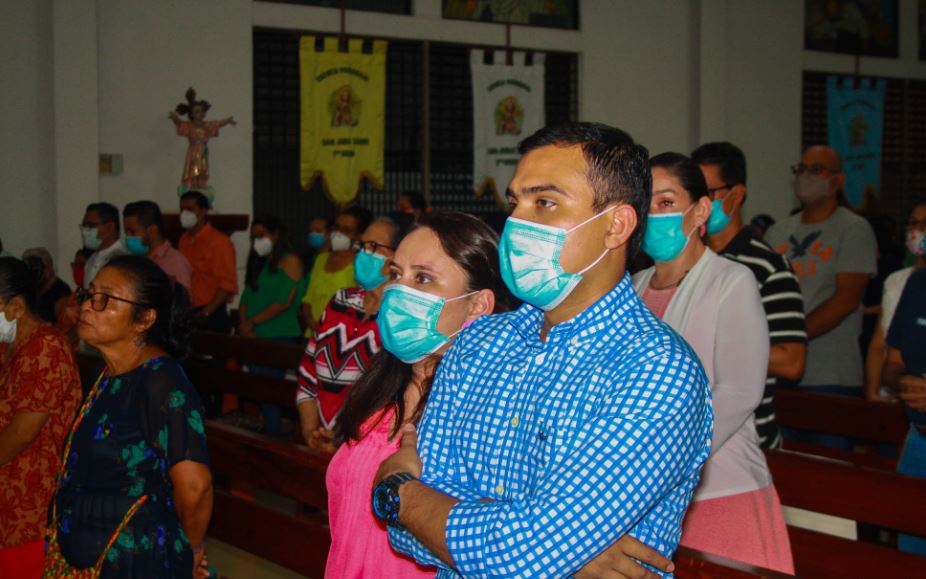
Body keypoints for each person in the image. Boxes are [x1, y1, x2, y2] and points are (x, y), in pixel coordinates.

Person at [375, 123, 712, 578]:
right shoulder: (479, 343)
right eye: (516, 202)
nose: (517, 222)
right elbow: (414, 537)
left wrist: (397, 492)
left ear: (616, 225)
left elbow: (524, 553)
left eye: (545, 203)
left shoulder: (655, 370)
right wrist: (545, 552)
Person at [322, 212, 511, 577]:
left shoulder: (491, 411)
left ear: (478, 304)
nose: (398, 291)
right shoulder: (379, 392)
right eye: (395, 274)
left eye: (422, 278)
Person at [633, 152, 793, 573]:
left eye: (667, 203)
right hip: (643, 496)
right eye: (645, 203)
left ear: (700, 209)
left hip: (719, 488)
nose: (654, 215)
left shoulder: (731, 281)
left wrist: (670, 458)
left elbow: (740, 391)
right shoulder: (632, 287)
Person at [45, 255, 212, 578]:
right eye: (89, 294)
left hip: (135, 560)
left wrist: (189, 550)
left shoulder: (161, 383)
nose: (88, 306)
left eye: (104, 299)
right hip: (86, 549)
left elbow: (195, 487)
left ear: (144, 319)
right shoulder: (107, 371)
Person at [692, 142, 807, 449]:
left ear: (736, 194)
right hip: (691, 432)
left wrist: (713, 343)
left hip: (749, 440)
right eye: (693, 195)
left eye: (709, 193)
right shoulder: (684, 263)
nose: (699, 204)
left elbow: (792, 361)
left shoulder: (768, 266)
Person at [766, 146, 877, 400]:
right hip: (779, 372)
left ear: (838, 180)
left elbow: (846, 300)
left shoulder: (853, 229)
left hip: (832, 373)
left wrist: (792, 337)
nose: (806, 176)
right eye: (801, 169)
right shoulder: (778, 231)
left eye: (816, 170)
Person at [0, 258, 82, 578]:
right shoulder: (12, 348)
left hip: (29, 504)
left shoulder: (46, 347)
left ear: (16, 307)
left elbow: (23, 433)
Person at [296, 217, 404, 451]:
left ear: (398, 256)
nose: (364, 254)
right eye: (362, 246)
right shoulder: (341, 301)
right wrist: (310, 432)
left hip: (367, 445)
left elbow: (391, 396)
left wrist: (342, 441)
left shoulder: (400, 318)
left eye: (373, 247)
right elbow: (308, 372)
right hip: (321, 437)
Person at [238, 215, 306, 434]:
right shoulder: (261, 262)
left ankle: (273, 434)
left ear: (275, 235)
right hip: (254, 333)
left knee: (271, 390)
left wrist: (251, 322)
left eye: (261, 235)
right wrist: (244, 324)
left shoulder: (290, 261)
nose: (257, 241)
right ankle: (269, 431)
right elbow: (246, 297)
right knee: (260, 389)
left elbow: (283, 302)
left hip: (280, 333)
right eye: (253, 237)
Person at [882, 266, 926, 556]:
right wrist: (903, 383)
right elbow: (893, 362)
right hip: (919, 442)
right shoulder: (918, 283)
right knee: (909, 558)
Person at [866, 197, 926, 401]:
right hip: (898, 396)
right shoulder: (902, 281)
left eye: (925, 223)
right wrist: (873, 392)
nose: (918, 229)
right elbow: (880, 346)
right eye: (913, 222)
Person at [301, 206, 371, 335]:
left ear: (359, 236)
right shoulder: (321, 259)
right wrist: (312, 324)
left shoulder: (361, 264)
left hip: (341, 335)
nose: (338, 233)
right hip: (313, 333)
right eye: (336, 227)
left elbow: (362, 304)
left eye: (346, 230)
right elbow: (308, 298)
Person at [178, 190, 238, 334]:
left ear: (203, 211)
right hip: (188, 312)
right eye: (182, 210)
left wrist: (206, 312)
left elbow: (227, 284)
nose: (184, 214)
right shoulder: (183, 240)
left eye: (190, 209)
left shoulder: (219, 242)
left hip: (210, 313)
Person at [169, 87, 236, 193]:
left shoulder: (207, 125)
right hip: (194, 149)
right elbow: (180, 124)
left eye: (202, 111)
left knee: (203, 166)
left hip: (204, 149)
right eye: (197, 112)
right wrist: (175, 118)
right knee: (194, 165)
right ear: (192, 114)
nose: (200, 113)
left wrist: (227, 121)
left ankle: (200, 182)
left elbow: (217, 124)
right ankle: (193, 182)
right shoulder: (189, 125)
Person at [123, 200, 193, 292]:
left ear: (152, 230)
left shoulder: (175, 262)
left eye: (132, 232)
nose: (128, 237)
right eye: (126, 232)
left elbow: (183, 302)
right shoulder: (136, 260)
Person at [81, 202, 128, 289]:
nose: (85, 231)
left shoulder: (122, 258)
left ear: (110, 227)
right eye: (84, 226)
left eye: (91, 225)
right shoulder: (92, 259)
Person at [22, 247, 72, 325]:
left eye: (36, 268)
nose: (32, 273)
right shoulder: (30, 290)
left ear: (48, 267)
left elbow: (65, 325)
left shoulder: (61, 292)